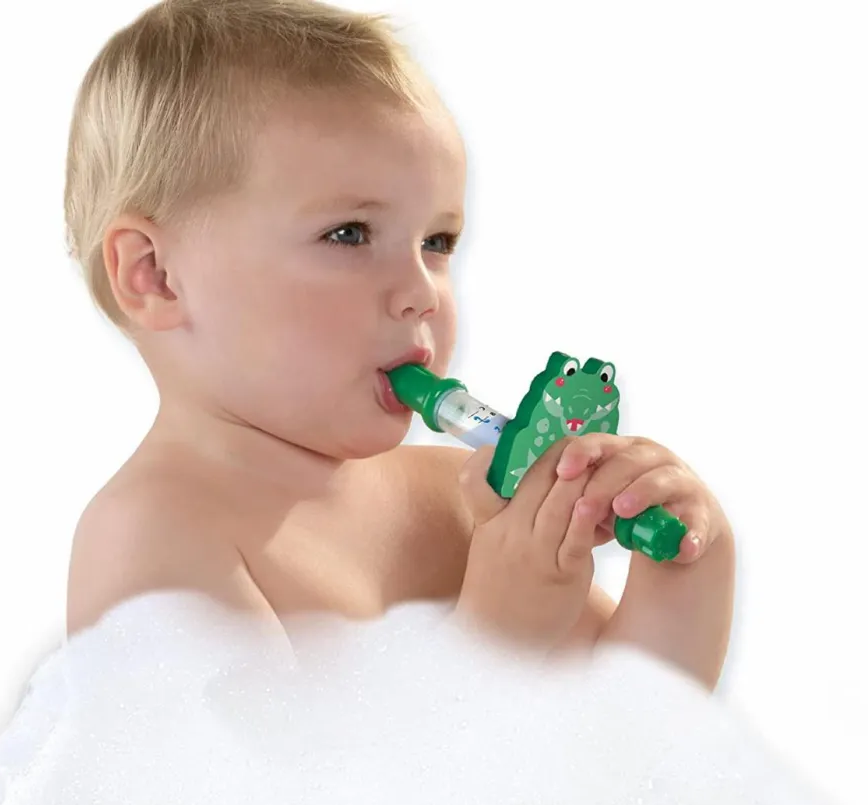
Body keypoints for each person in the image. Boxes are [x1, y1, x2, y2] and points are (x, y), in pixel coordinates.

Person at [63, 0, 735, 690]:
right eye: (349, 234)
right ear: (156, 276)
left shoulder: (454, 496)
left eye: (436, 242)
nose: (421, 291)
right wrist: (497, 638)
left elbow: (635, 730)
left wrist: (687, 566)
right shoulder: (152, 541)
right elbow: (258, 766)